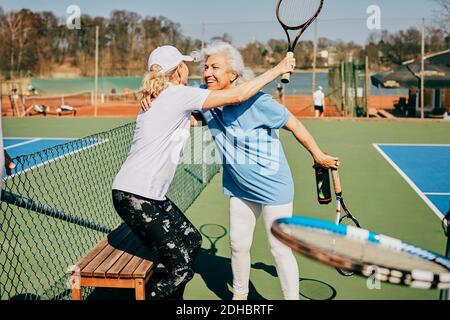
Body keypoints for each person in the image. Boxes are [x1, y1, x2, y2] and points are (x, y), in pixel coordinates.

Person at [142, 42, 339, 300]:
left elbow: (295, 124)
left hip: (273, 188)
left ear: (233, 74)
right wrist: (152, 95)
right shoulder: (205, 97)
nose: (208, 73)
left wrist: (318, 154)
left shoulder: (259, 102)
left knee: (279, 249)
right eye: (205, 67)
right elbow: (175, 99)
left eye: (215, 67)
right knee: (237, 245)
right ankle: (240, 298)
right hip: (239, 187)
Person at [112, 45, 296, 300]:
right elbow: (238, 95)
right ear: (179, 70)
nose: (197, 70)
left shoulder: (167, 95)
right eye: (186, 64)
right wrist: (279, 68)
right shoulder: (178, 94)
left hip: (145, 194)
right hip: (136, 195)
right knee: (181, 268)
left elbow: (201, 111)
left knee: (192, 240)